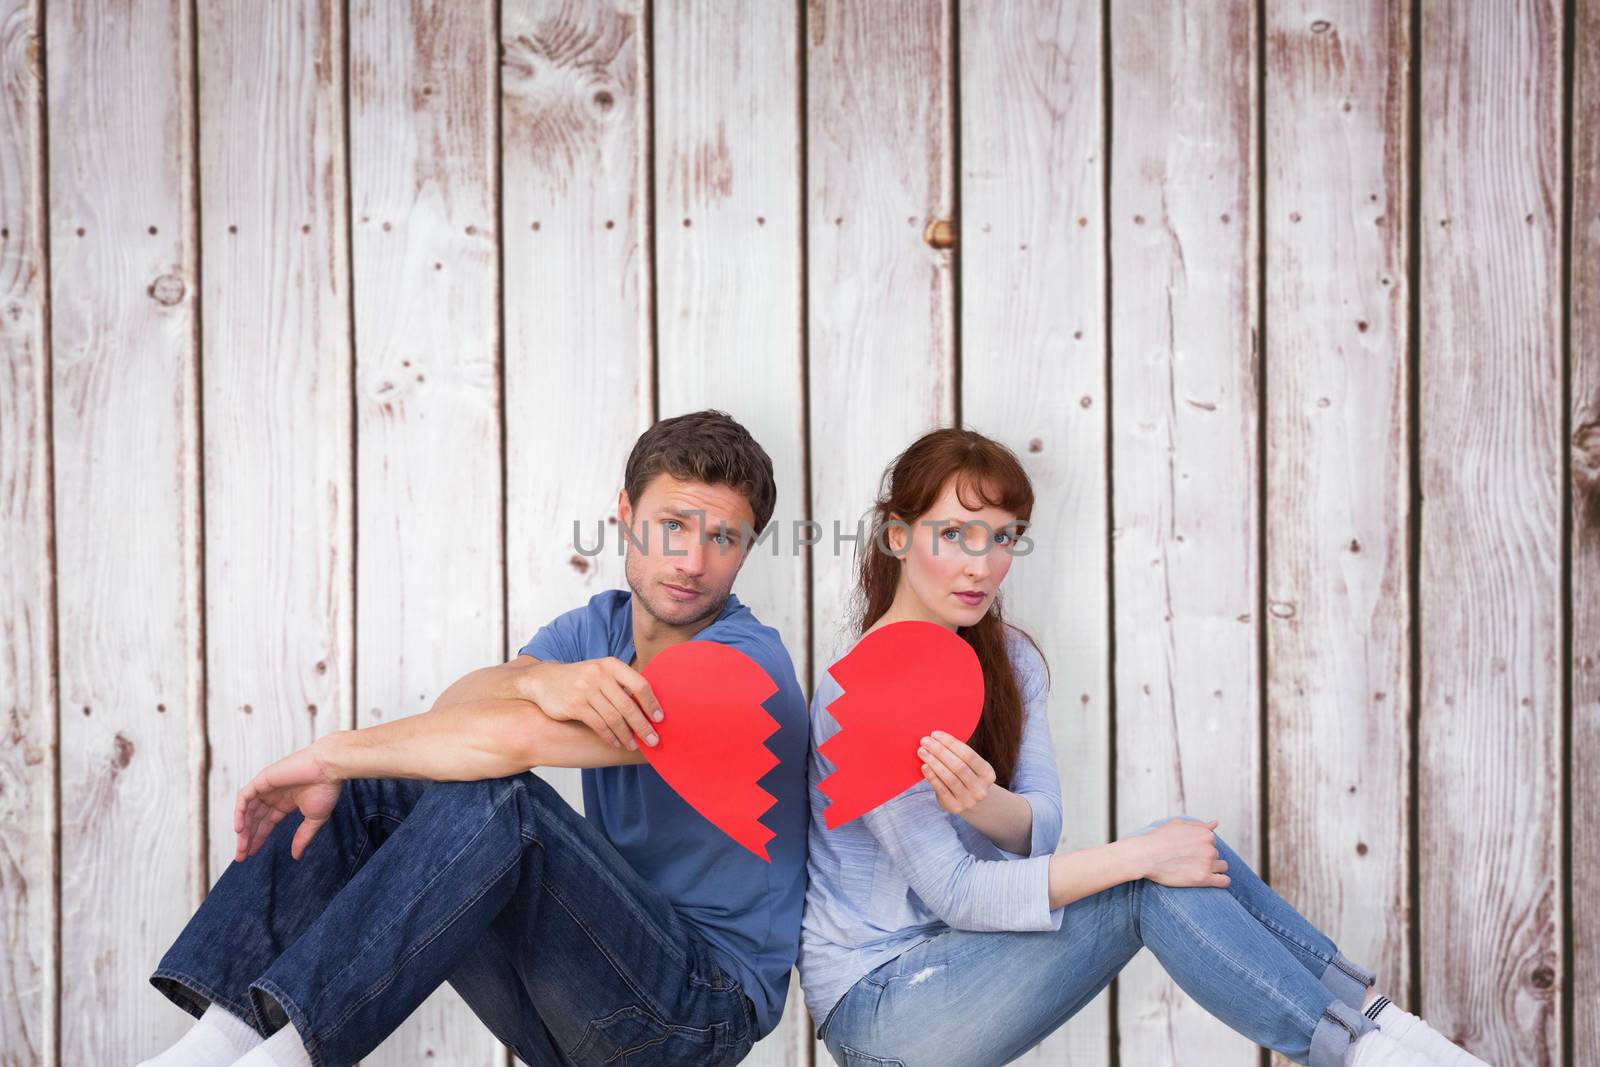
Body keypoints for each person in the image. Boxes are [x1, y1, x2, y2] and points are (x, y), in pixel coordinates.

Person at [798, 426, 1490, 1067]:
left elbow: (1039, 828)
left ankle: (1387, 1029)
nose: (982, 564)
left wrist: (985, 803)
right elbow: (960, 895)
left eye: (1004, 537)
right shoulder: (859, 695)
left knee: (1182, 848)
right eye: (953, 533)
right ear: (895, 536)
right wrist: (1140, 856)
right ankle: (1368, 1055)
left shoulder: (1010, 660)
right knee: (1149, 876)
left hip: (971, 961)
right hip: (883, 1007)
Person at [140, 409, 810, 1067]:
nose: (692, 560)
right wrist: (540, 678)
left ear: (747, 549)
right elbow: (454, 713)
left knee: (497, 801)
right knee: (391, 782)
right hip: (585, 983)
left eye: (723, 537)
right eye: (672, 525)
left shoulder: (743, 669)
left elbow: (502, 742)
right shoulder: (597, 627)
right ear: (626, 513)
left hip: (695, 1015)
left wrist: (329, 754)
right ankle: (206, 1051)